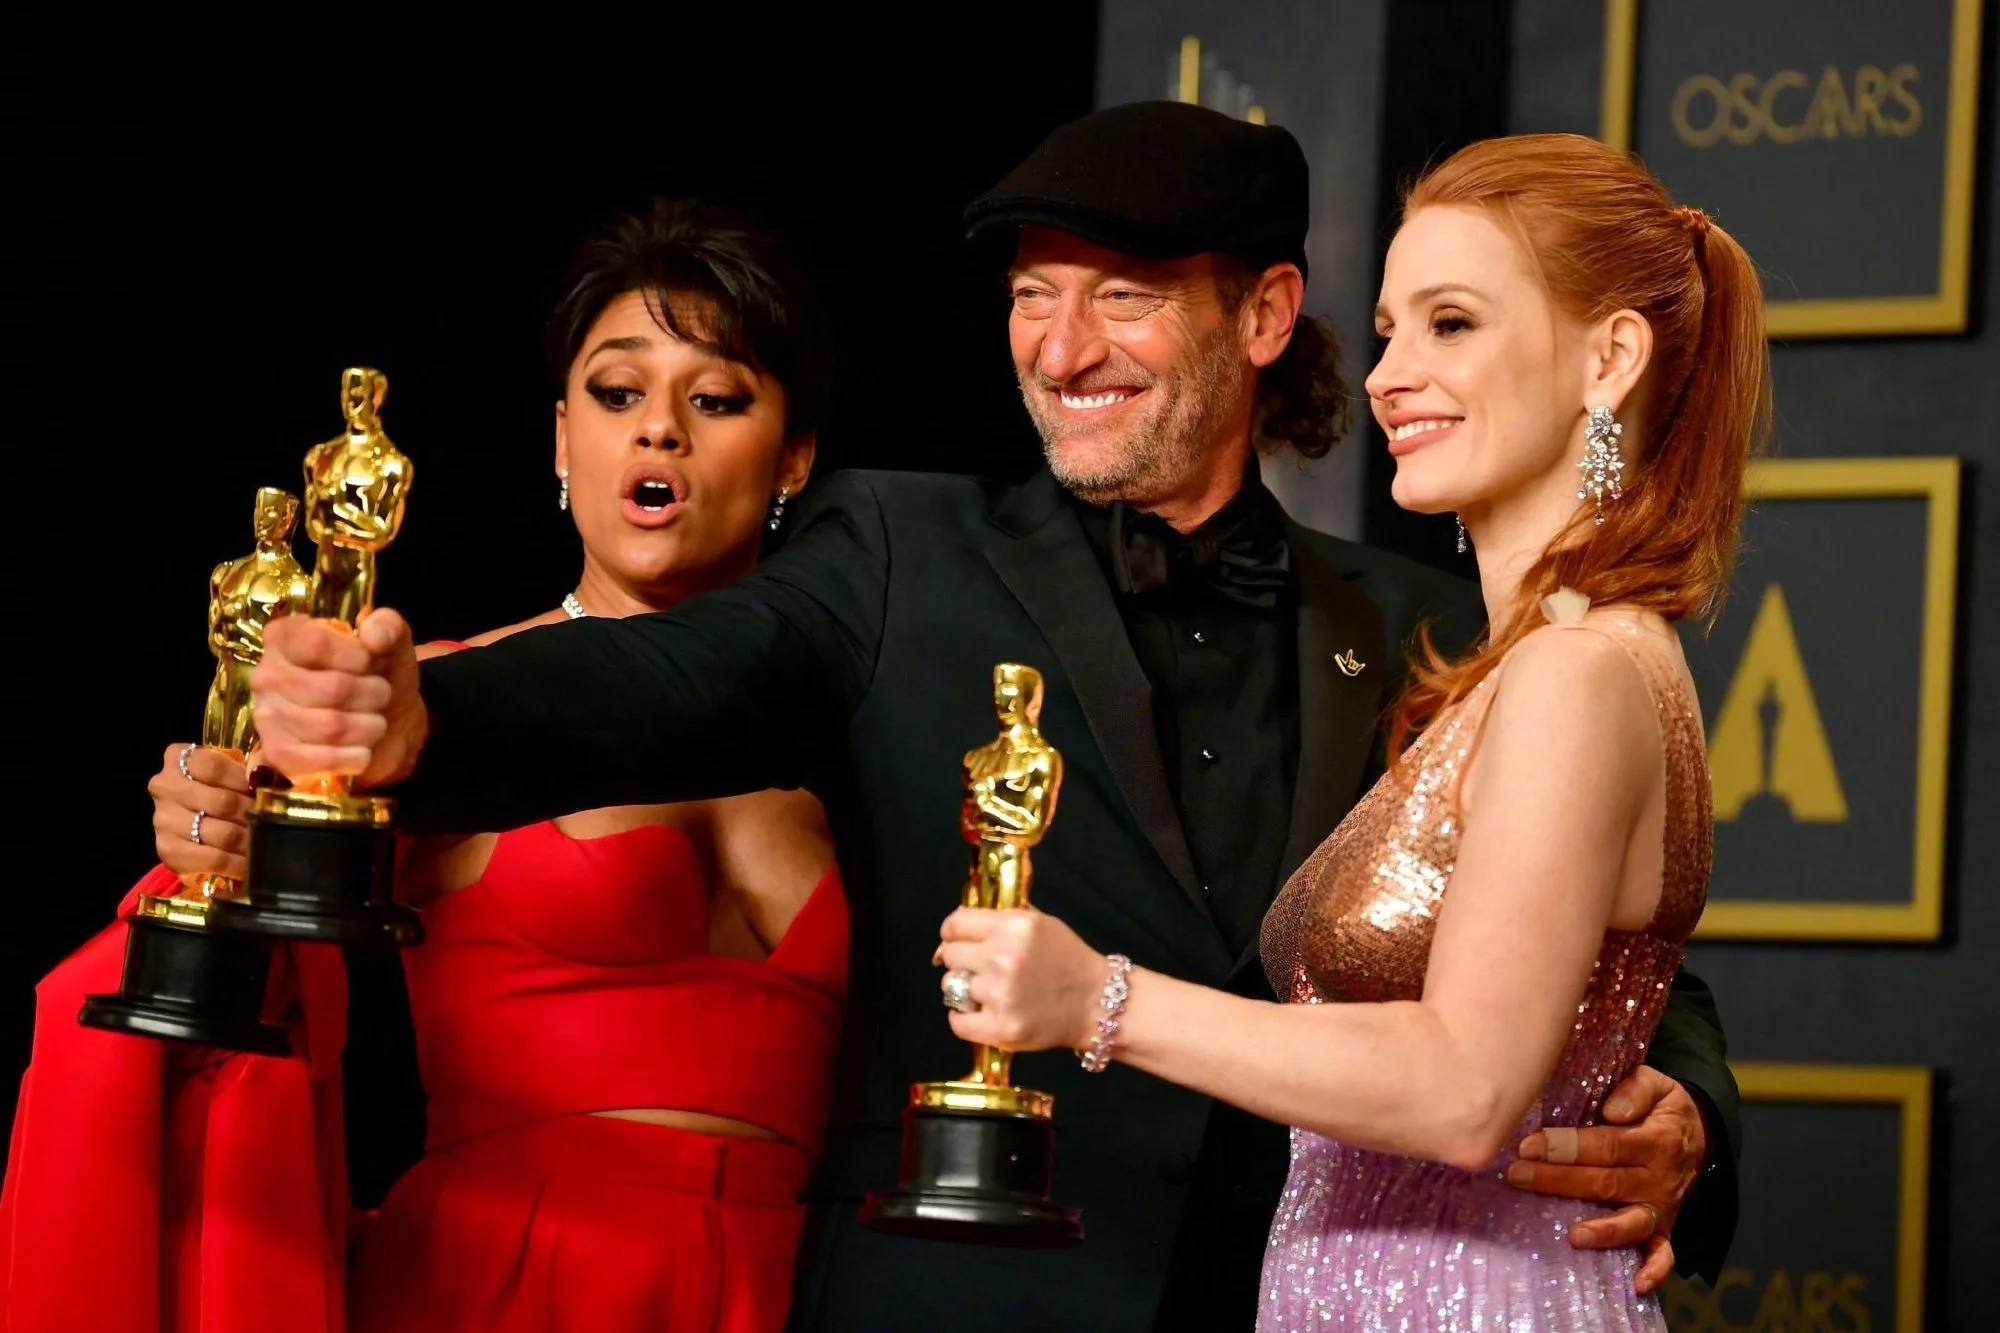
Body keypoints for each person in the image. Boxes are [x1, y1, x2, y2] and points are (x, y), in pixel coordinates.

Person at [240, 104, 1742, 1332]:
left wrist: (1687, 1112)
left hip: (1290, 1298)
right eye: (1033, 294)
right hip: (952, 1294)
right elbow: (667, 681)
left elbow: (1586, 939)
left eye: (1123, 296)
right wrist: (419, 719)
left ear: (1266, 314)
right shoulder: (897, 549)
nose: (1063, 347)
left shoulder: (1434, 624)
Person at [936, 132, 1766, 1329]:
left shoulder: (1577, 672)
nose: (1387, 376)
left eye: (1449, 324)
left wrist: (1096, 1000)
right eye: (1386, 330)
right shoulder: (1539, 661)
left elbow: (1467, 1088)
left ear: (1609, 359)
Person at [1, 197, 846, 1333]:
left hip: (800, 1286)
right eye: (617, 393)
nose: (659, 430)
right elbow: (252, 1000)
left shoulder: (868, 730)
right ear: (562, 439)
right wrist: (217, 848)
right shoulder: (429, 702)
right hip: (506, 1283)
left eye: (715, 398)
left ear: (792, 457)